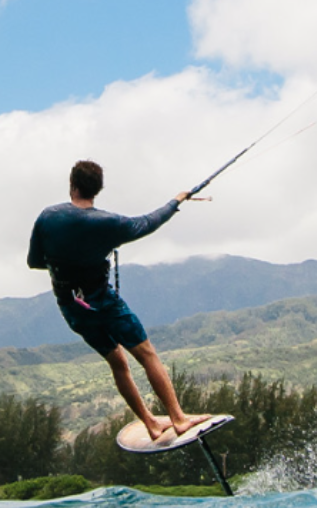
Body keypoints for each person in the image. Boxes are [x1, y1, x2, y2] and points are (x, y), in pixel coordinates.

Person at [27, 159, 209, 441]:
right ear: (97, 190)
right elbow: (149, 222)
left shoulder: (48, 217)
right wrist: (176, 200)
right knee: (146, 354)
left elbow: (35, 261)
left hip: (73, 308)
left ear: (72, 185)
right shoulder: (109, 223)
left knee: (118, 364)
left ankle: (150, 422)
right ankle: (178, 418)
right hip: (104, 303)